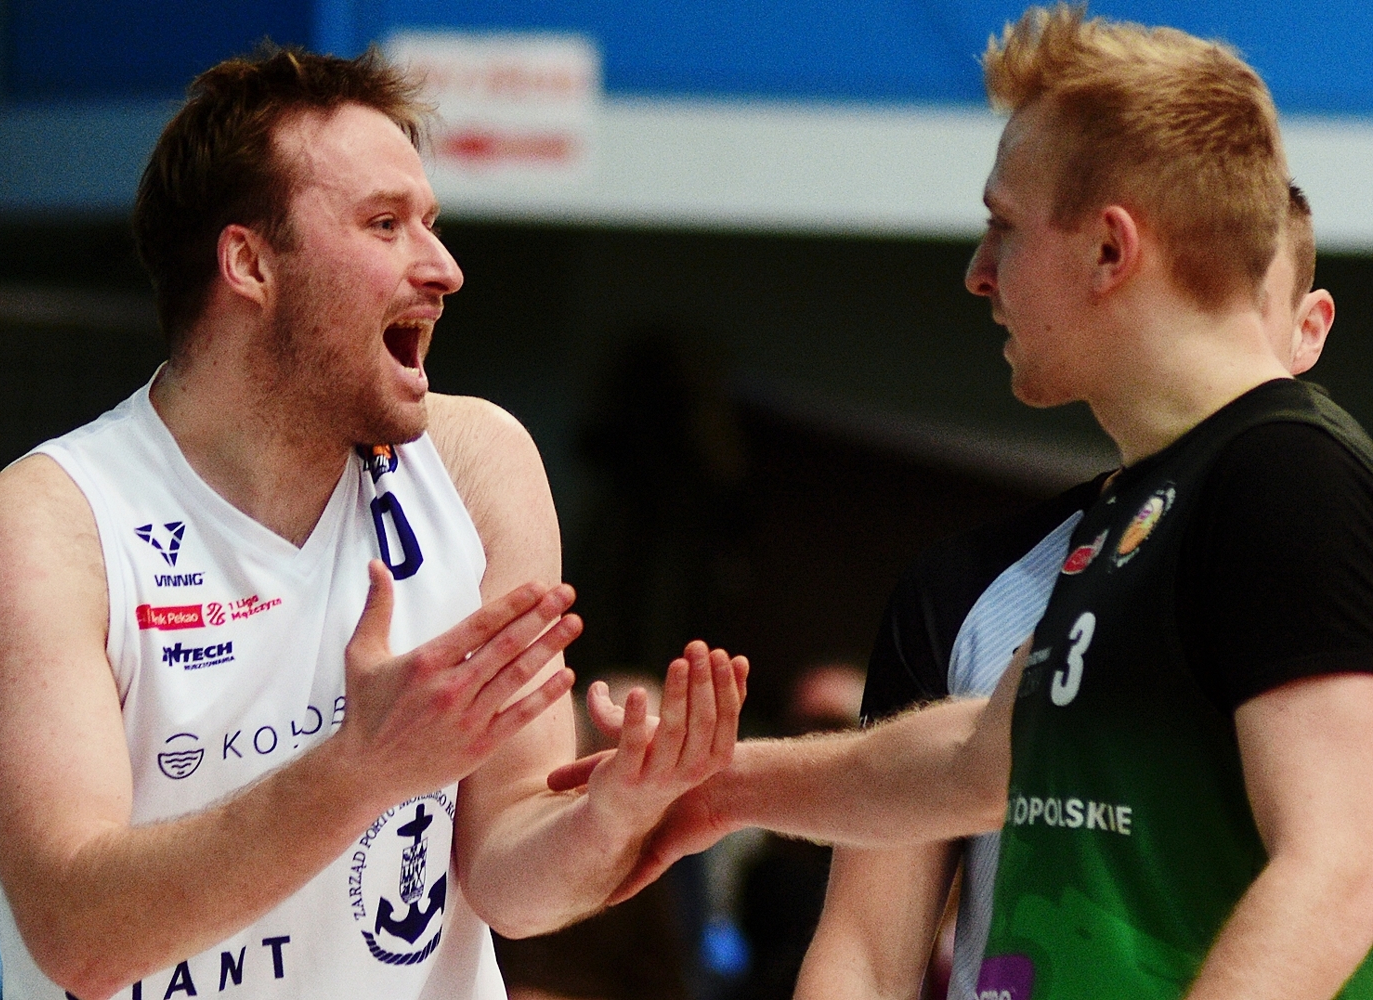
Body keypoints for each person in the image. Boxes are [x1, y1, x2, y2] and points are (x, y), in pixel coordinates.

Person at [557, 8, 1373, 999]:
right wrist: (717, 787)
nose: (979, 273)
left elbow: (1342, 870)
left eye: (1005, 225)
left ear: (1109, 250)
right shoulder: (1149, 502)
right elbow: (977, 762)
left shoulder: (1289, 475)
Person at [0, 46, 747, 1000]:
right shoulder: (43, 531)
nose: (443, 269)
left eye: (431, 224)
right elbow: (80, 938)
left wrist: (614, 812)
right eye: (385, 224)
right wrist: (361, 770)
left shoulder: (479, 464)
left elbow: (511, 884)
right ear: (249, 263)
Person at [793, 184, 1332, 1000]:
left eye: (1241, 309)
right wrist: (716, 787)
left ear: (1308, 330)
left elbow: (1340, 863)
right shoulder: (966, 589)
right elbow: (864, 954)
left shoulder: (1333, 538)